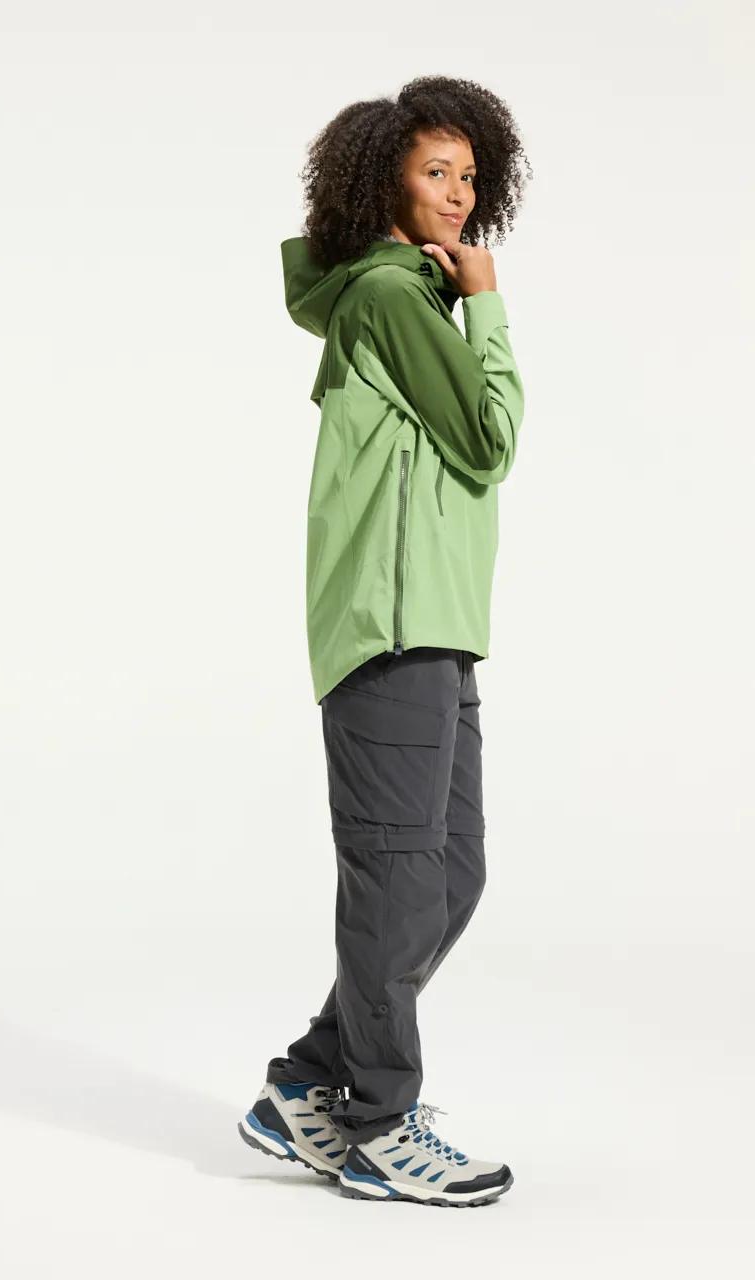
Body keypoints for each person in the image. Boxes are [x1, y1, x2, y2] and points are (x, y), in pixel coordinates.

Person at [238, 74, 531, 1208]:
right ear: (383, 184)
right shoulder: (393, 298)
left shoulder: (411, 297)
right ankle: (376, 1124)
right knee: (401, 876)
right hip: (391, 622)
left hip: (438, 625)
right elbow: (489, 438)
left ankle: (306, 1083)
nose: (458, 195)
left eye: (469, 175)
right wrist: (490, 306)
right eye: (434, 172)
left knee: (448, 873)